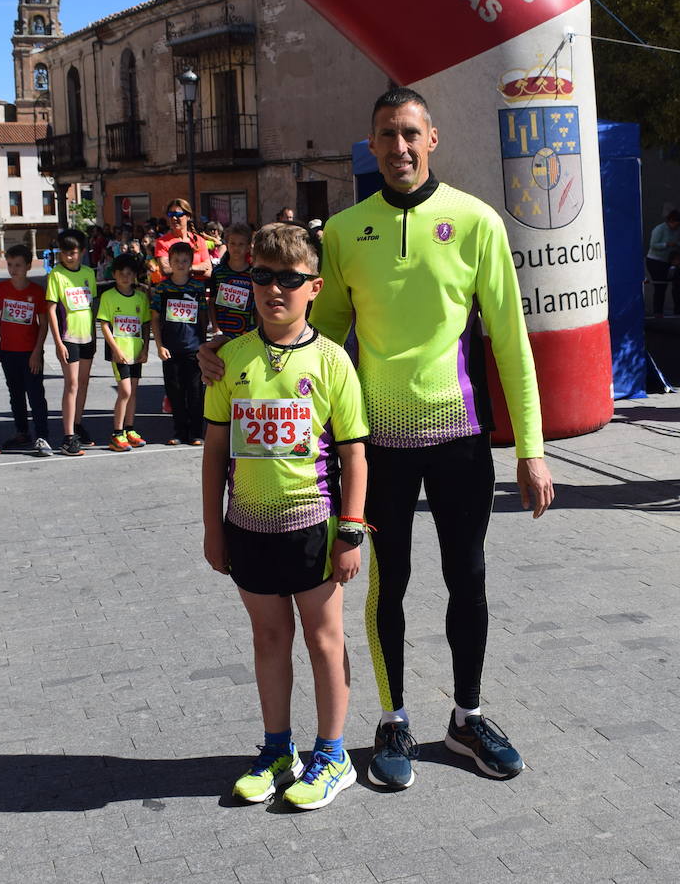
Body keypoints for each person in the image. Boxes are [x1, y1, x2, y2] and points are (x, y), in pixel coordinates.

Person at [203, 88, 554, 787]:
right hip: (375, 443)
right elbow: (312, 335)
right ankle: (392, 720)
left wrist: (531, 448)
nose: (398, 148)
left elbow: (511, 343)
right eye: (386, 136)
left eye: (410, 134)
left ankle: (467, 718)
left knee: (469, 578)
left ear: (433, 138)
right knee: (383, 585)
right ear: (373, 144)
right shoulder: (344, 230)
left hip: (458, 434)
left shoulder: (476, 221)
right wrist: (234, 356)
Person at [202, 222, 368, 810]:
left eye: (290, 279)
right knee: (269, 637)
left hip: (315, 530)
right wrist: (212, 527)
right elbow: (216, 452)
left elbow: (353, 452)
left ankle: (334, 754)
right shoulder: (229, 359)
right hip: (247, 528)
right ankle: (279, 750)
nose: (276, 290)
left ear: (315, 286)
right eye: (263, 277)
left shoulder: (331, 362)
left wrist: (351, 530)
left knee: (325, 640)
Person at [0, 244, 51, 456]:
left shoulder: (36, 291)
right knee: (15, 394)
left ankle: (42, 435)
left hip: (30, 352)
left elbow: (43, 324)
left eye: (18, 265)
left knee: (35, 395)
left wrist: (37, 352)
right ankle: (22, 432)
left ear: (27, 266)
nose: (13, 269)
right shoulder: (0, 289)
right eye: (10, 265)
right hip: (8, 351)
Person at [44, 229, 98, 457]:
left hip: (88, 336)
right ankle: (67, 437)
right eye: (65, 253)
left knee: (83, 383)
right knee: (72, 384)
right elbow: (51, 309)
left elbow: (91, 305)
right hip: (69, 338)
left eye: (73, 252)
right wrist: (58, 342)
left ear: (82, 252)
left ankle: (77, 424)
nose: (69, 257)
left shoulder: (88, 273)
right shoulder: (56, 275)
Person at [151, 242, 208, 446]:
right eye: (176, 261)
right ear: (170, 263)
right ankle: (179, 431)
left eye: (185, 261)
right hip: (170, 348)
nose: (181, 264)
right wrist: (159, 345)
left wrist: (203, 343)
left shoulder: (197, 287)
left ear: (191, 263)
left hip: (193, 347)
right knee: (175, 392)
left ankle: (196, 432)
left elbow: (203, 316)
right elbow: (155, 318)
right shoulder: (162, 288)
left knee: (195, 391)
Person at [96, 254, 149, 452]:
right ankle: (116, 434)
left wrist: (145, 349)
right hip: (120, 352)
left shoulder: (141, 298)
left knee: (133, 392)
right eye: (121, 274)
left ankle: (129, 430)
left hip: (136, 351)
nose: (126, 277)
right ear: (115, 274)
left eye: (129, 274)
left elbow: (145, 324)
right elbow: (104, 325)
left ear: (135, 275)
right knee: (125, 391)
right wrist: (115, 349)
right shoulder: (108, 296)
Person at [208, 222, 256, 339]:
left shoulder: (253, 274)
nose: (236, 248)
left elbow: (257, 306)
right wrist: (215, 328)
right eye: (233, 243)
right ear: (227, 244)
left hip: (247, 333)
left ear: (248, 247)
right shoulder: (218, 272)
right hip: (222, 332)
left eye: (241, 244)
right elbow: (212, 302)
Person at [155, 199, 212, 282]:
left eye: (178, 214)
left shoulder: (199, 240)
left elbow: (209, 271)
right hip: (173, 291)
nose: (174, 218)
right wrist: (195, 268)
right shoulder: (162, 242)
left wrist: (178, 270)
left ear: (188, 216)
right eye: (171, 214)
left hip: (197, 290)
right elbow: (165, 270)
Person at [645, 209, 680, 316]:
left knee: (678, 282)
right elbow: (653, 245)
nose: (677, 226)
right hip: (655, 261)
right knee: (660, 286)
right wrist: (666, 244)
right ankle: (658, 311)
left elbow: (678, 242)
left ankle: (678, 309)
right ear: (671, 221)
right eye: (676, 223)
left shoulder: (676, 231)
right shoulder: (660, 229)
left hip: (669, 261)